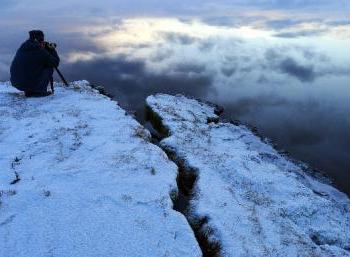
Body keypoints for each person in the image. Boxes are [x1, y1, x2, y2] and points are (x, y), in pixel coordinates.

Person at [10, 30, 60, 97]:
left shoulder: (23, 46)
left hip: (16, 83)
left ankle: (29, 91)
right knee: (49, 68)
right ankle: (39, 92)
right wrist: (52, 50)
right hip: (26, 82)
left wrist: (43, 48)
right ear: (40, 40)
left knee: (34, 67)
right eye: (42, 40)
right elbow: (55, 62)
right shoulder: (39, 51)